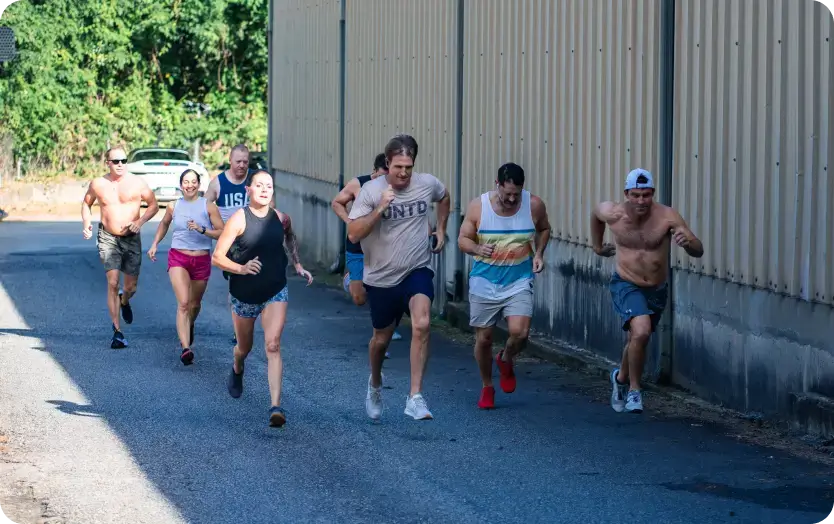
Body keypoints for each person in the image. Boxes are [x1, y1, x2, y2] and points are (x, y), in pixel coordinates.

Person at [347, 134, 450, 421]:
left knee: (422, 323)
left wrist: (440, 229)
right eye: (398, 167)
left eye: (408, 167)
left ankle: (415, 396)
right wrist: (380, 208)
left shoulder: (426, 183)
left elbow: (444, 197)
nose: (403, 173)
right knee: (381, 340)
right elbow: (353, 234)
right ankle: (375, 383)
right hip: (381, 277)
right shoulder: (370, 191)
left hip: (416, 269)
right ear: (387, 163)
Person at [591, 168, 703, 414]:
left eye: (646, 195)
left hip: (656, 288)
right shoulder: (613, 213)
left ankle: (620, 379)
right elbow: (596, 216)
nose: (641, 200)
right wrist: (597, 246)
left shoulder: (667, 216)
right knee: (640, 332)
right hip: (625, 282)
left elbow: (698, 249)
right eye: (636, 195)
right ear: (626, 194)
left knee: (636, 339)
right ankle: (634, 391)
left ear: (652, 193)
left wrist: (689, 243)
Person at [211, 170, 314, 428]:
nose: (265, 190)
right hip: (244, 293)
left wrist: (298, 264)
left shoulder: (281, 218)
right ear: (249, 190)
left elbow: (289, 238)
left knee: (273, 345)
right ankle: (237, 365)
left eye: (269, 186)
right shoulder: (238, 219)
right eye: (259, 185)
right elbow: (217, 257)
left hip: (275, 289)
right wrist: (242, 269)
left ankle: (275, 406)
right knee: (244, 348)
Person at [457, 162, 551, 409]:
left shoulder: (533, 205)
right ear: (496, 184)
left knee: (520, 333)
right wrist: (477, 247)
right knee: (484, 338)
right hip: (485, 280)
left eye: (516, 194)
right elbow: (462, 240)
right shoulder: (479, 207)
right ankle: (487, 386)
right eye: (506, 193)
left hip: (518, 279)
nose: (511, 199)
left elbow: (544, 229)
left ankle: (506, 357)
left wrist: (539, 254)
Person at [82, 146, 159, 349]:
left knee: (130, 287)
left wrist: (140, 222)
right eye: (115, 161)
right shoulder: (98, 183)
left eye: (123, 161)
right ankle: (117, 331)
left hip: (131, 238)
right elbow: (86, 203)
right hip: (107, 236)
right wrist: (86, 223)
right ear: (107, 163)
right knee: (113, 282)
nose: (120, 165)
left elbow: (153, 205)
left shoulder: (137, 183)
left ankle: (124, 301)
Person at [147, 169, 225, 365]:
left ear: (199, 185)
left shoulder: (208, 206)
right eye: (185, 182)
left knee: (194, 304)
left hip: (201, 260)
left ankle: (189, 324)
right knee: (183, 303)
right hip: (178, 257)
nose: (189, 185)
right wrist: (155, 243)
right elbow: (164, 224)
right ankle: (185, 348)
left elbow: (222, 232)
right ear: (180, 185)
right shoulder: (173, 206)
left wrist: (202, 229)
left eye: (193, 182)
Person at [331, 152, 402, 346]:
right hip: (358, 244)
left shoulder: (397, 187)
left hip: (383, 244)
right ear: (374, 172)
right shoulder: (359, 184)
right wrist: (349, 221)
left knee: (390, 288)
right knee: (360, 298)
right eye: (380, 176)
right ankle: (350, 278)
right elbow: (336, 202)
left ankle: (384, 332)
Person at [204, 144, 254, 345]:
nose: (242, 166)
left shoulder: (254, 181)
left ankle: (250, 320)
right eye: (238, 162)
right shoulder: (218, 183)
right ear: (230, 161)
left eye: (245, 162)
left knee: (254, 284)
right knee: (239, 283)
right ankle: (238, 328)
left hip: (254, 239)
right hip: (231, 244)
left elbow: (270, 205)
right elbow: (204, 206)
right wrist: (213, 228)